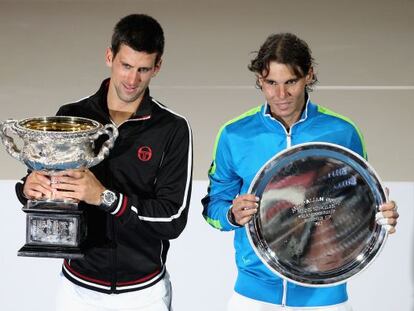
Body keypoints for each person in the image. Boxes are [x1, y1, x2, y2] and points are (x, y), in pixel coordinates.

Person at [202, 33, 399, 311]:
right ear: (260, 79)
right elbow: (213, 208)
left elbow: (358, 206)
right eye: (271, 83)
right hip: (254, 292)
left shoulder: (342, 132)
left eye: (290, 82)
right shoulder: (234, 134)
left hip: (325, 295)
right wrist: (232, 215)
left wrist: (381, 216)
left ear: (309, 75)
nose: (280, 95)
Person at [15, 14, 193, 311]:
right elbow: (43, 181)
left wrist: (106, 198)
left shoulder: (172, 128)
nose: (132, 80)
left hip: (144, 294)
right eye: (125, 66)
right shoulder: (71, 117)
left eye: (143, 69)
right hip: (77, 290)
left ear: (157, 68)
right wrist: (28, 187)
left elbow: (173, 218)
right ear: (109, 56)